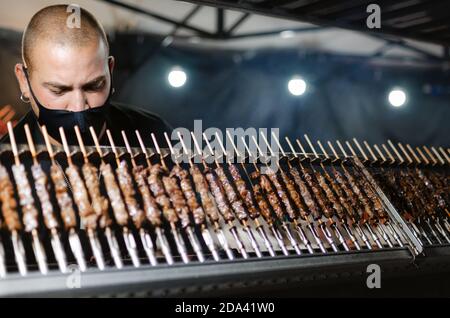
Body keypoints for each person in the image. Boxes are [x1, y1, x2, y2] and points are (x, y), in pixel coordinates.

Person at [2, 4, 172, 148]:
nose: (78, 107)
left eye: (94, 86)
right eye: (59, 90)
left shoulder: (158, 135)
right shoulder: (5, 165)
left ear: (110, 70)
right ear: (24, 81)